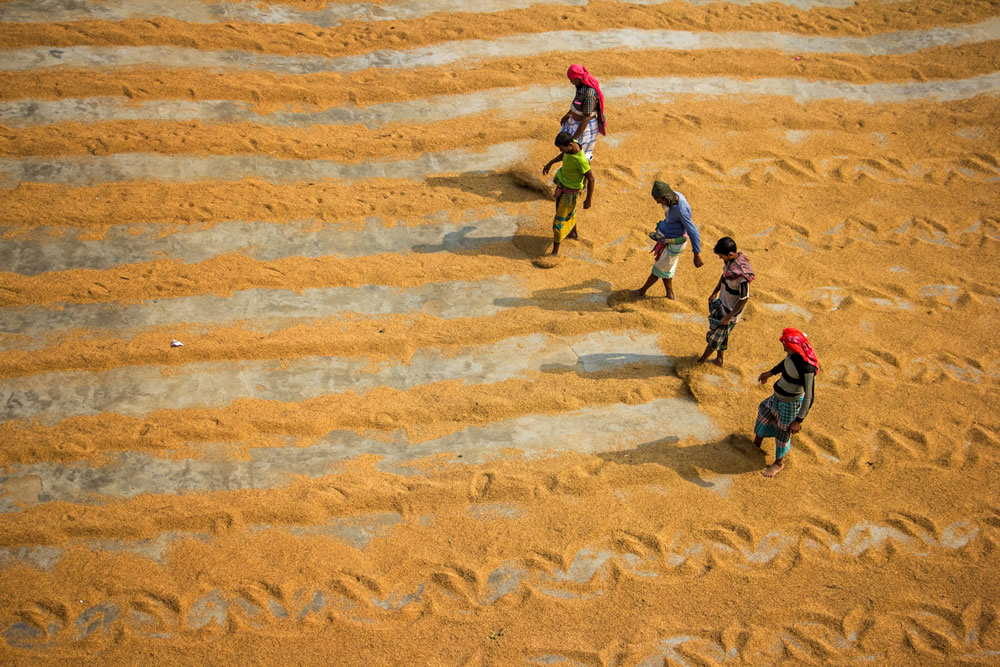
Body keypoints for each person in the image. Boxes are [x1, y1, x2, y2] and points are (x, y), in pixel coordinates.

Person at [754, 328, 819, 478]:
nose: (783, 347)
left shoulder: (806, 368)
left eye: (785, 344)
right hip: (776, 398)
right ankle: (755, 445)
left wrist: (798, 420)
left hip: (790, 404)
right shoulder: (792, 355)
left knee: (783, 432)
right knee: (763, 415)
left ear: (794, 347)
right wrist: (770, 373)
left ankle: (778, 463)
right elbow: (784, 364)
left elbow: (809, 396)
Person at [633, 181, 704, 299]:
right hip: (666, 237)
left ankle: (642, 291)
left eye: (659, 200)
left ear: (666, 198)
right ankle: (670, 294)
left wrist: (696, 253)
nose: (657, 203)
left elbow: (693, 231)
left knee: (659, 268)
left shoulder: (681, 210)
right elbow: (670, 217)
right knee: (666, 267)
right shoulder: (673, 196)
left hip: (674, 243)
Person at [698, 237, 754, 367]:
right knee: (722, 335)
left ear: (730, 254)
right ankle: (719, 360)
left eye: (721, 256)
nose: (720, 258)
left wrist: (729, 317)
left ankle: (701, 361)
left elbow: (744, 298)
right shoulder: (729, 264)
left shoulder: (742, 277)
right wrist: (714, 292)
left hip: (730, 311)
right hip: (722, 303)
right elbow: (723, 277)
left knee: (715, 338)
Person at [542, 131, 594, 255]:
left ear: (570, 144)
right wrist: (550, 162)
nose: (561, 150)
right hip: (562, 183)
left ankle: (554, 252)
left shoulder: (581, 161)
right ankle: (573, 233)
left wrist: (588, 199)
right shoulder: (572, 145)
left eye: (562, 148)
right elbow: (563, 155)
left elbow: (591, 178)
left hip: (570, 192)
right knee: (568, 212)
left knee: (558, 223)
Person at [559, 64, 606, 161]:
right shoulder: (580, 86)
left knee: (582, 156)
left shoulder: (589, 94)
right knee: (569, 151)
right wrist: (568, 114)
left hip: (585, 128)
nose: (571, 81)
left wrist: (574, 138)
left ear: (579, 78)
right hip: (575, 123)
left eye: (572, 79)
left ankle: (587, 176)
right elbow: (577, 102)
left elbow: (586, 117)